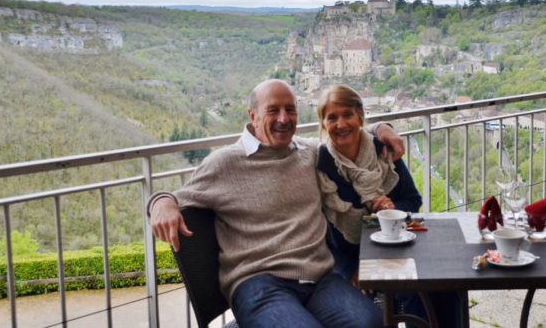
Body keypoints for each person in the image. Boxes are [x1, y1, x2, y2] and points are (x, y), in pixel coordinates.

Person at [148, 79, 404, 328]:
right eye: (273, 110)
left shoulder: (309, 152)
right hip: (260, 284)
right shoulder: (226, 162)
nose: (283, 118)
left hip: (320, 280)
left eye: (290, 110)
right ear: (253, 116)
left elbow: (346, 135)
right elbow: (176, 197)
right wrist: (160, 202)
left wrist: (383, 127)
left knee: (374, 322)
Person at [316, 85, 461, 328]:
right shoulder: (321, 161)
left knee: (442, 289)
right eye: (332, 117)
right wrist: (365, 265)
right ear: (323, 124)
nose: (341, 124)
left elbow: (412, 199)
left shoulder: (382, 149)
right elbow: (331, 234)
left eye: (347, 115)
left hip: (396, 245)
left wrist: (390, 207)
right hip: (346, 256)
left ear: (360, 116)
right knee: (382, 301)